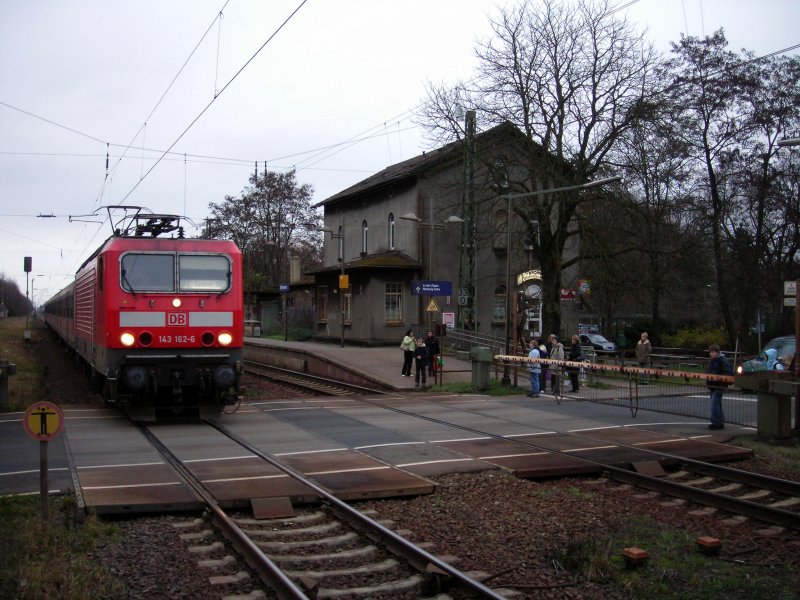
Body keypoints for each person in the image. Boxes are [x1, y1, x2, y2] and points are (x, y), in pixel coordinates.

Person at [706, 344, 733, 430]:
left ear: (717, 352)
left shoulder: (722, 361)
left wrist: (719, 380)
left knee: (714, 404)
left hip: (719, 385)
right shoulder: (712, 361)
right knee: (716, 404)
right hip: (713, 385)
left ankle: (716, 422)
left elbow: (727, 373)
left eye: (712, 352)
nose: (711, 354)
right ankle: (720, 421)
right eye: (710, 352)